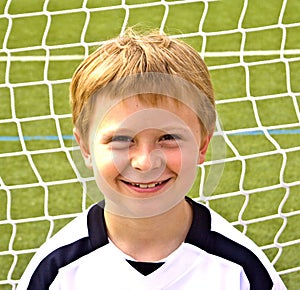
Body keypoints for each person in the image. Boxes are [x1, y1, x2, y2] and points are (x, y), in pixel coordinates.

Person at [17, 30, 287, 290]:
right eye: (122, 140)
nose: (145, 163)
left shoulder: (243, 270)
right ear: (85, 147)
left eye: (168, 137)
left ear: (203, 144)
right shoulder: (55, 272)